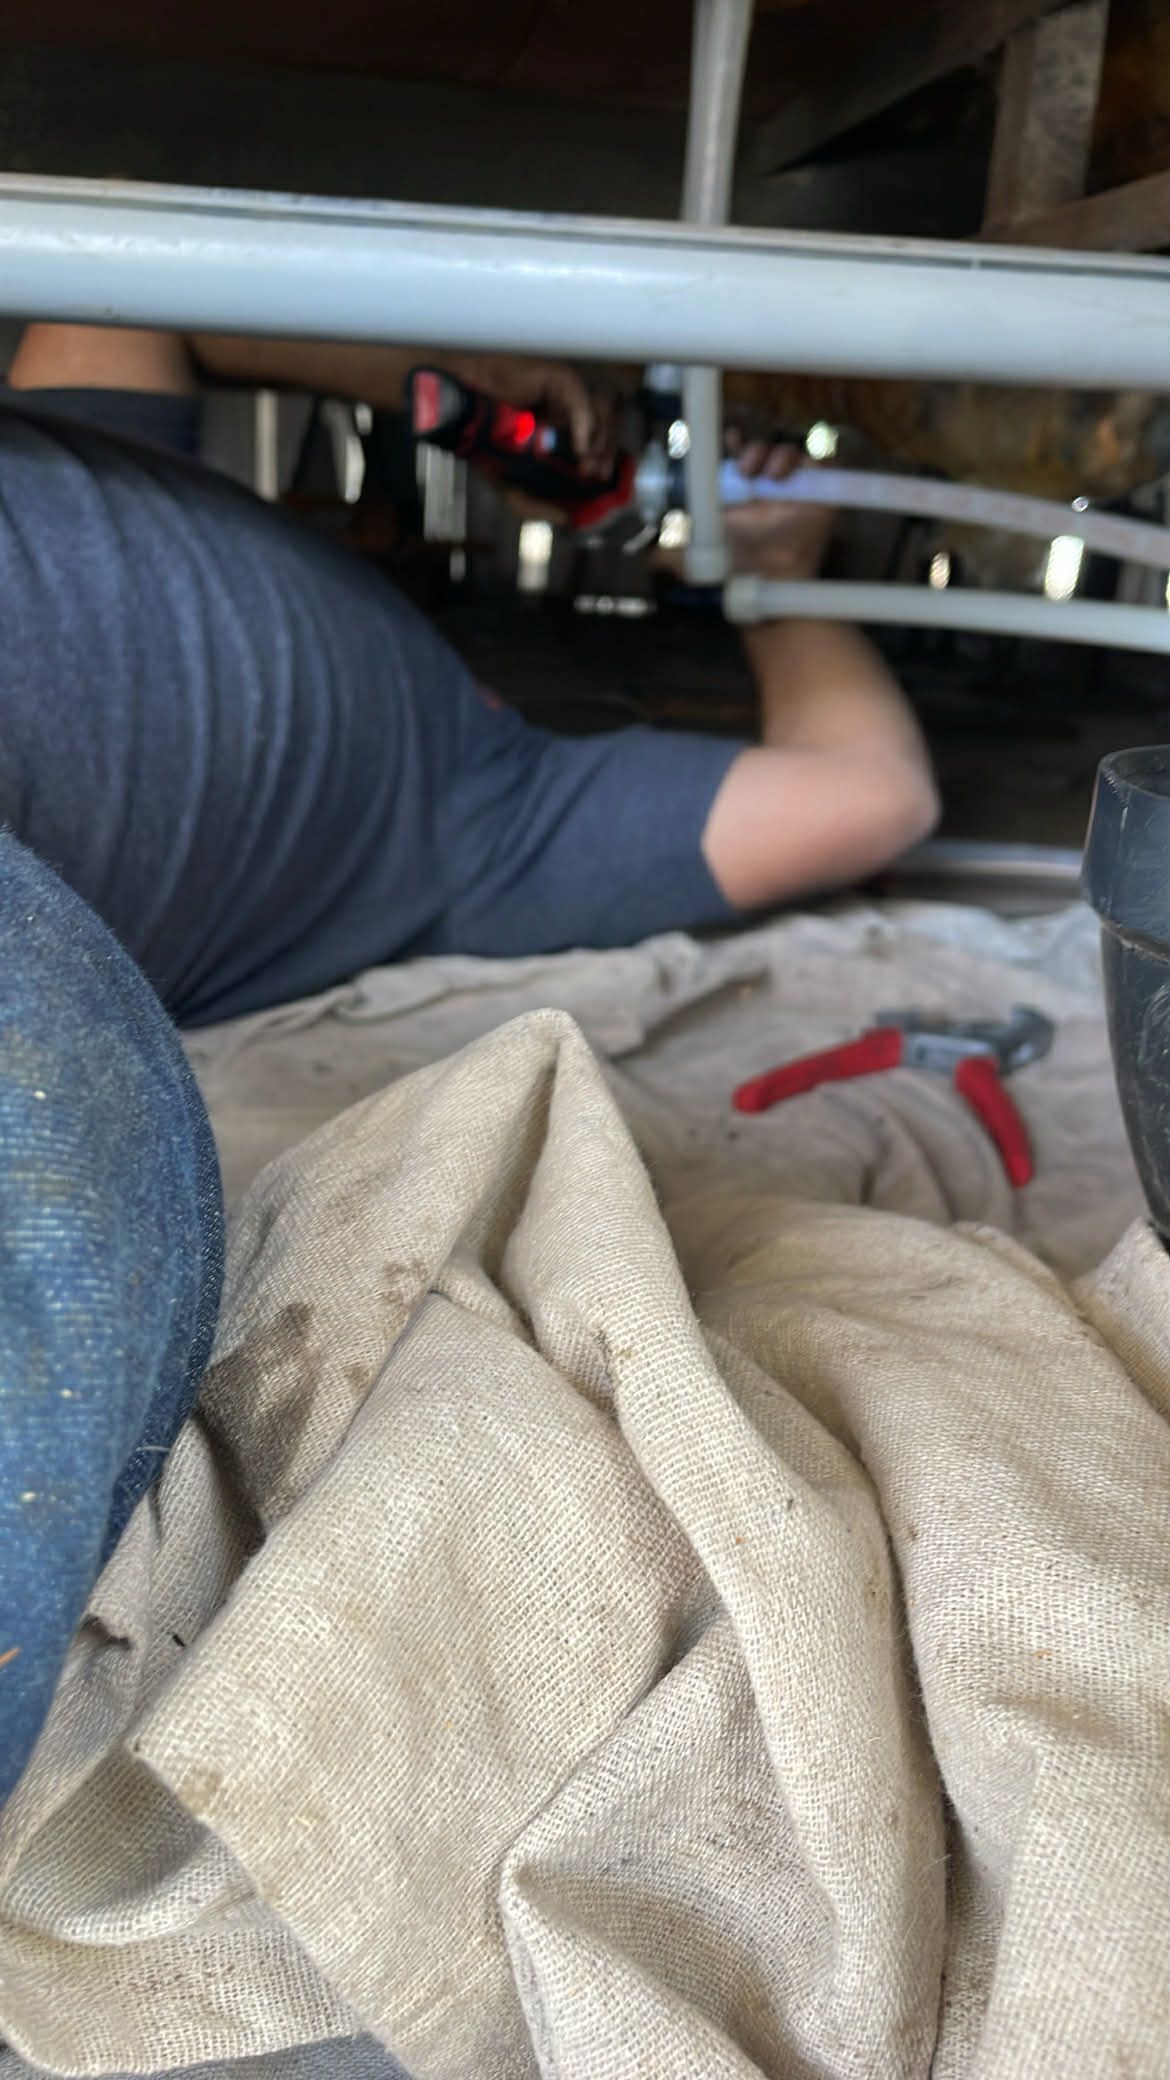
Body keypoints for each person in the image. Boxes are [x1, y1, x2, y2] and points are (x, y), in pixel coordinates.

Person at [0, 323, 937, 1794]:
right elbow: (874, 797)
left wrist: (760, 555)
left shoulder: (487, 822)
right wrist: (439, 389)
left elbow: (872, 798)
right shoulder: (481, 824)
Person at [0, 323, 938, 1029]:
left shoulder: (80, 464)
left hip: (87, 484)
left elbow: (123, 312)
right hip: (414, 839)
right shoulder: (464, 828)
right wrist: (777, 580)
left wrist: (452, 385)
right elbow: (876, 794)